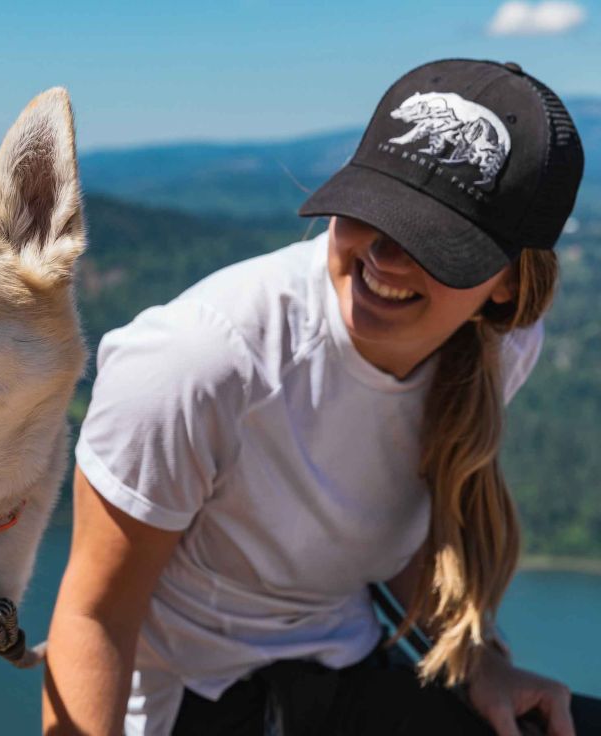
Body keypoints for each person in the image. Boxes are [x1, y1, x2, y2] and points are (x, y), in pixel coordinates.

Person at [43, 59, 601, 735]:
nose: (386, 259)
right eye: (374, 210)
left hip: (342, 676)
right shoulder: (197, 361)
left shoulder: (501, 347)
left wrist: (480, 662)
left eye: (436, 243)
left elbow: (382, 519)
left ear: (507, 284)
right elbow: (96, 615)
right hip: (184, 705)